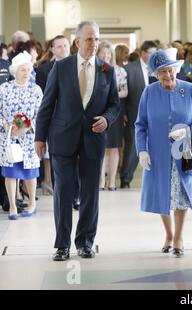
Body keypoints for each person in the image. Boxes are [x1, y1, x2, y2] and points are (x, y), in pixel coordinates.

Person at [34, 21, 120, 261]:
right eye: (90, 39)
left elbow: (114, 104)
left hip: (93, 139)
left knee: (91, 193)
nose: (94, 44)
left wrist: (107, 118)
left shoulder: (107, 70)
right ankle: (62, 245)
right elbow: (47, 105)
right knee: (63, 191)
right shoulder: (60, 68)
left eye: (97, 39)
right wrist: (40, 138)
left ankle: (85, 242)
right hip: (63, 138)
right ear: (77, 42)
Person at [135, 49, 192, 257]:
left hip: (183, 151)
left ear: (176, 69)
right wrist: (142, 151)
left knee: (181, 195)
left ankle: (179, 237)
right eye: (162, 72)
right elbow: (140, 124)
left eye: (170, 70)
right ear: (156, 75)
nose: (167, 76)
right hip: (157, 153)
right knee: (163, 194)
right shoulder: (149, 92)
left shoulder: (190, 89)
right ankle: (168, 234)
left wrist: (189, 133)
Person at [0, 51, 42, 220]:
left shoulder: (35, 89)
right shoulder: (4, 89)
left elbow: (41, 113)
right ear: (14, 71)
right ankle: (12, 206)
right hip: (8, 136)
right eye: (23, 70)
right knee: (10, 172)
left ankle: (32, 203)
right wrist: (6, 124)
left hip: (28, 137)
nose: (27, 73)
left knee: (30, 172)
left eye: (28, 69)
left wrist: (25, 127)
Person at [35, 35, 71, 196]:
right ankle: (61, 194)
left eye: (65, 45)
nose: (63, 49)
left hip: (75, 120)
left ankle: (75, 195)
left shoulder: (79, 66)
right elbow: (43, 100)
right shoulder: (44, 70)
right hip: (55, 121)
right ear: (52, 49)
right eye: (59, 46)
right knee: (59, 159)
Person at [120, 40, 158, 189]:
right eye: (152, 53)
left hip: (156, 114)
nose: (155, 56)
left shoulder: (158, 69)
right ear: (143, 54)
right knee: (133, 147)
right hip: (134, 113)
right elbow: (123, 94)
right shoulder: (129, 69)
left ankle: (156, 177)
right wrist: (122, 112)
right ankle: (126, 178)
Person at [97, 41, 128, 191]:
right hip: (98, 111)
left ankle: (112, 181)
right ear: (98, 53)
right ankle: (101, 179)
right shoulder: (95, 69)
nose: (106, 55)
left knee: (114, 147)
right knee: (101, 146)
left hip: (115, 111)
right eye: (103, 52)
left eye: (109, 53)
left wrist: (109, 95)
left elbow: (125, 92)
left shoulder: (120, 71)